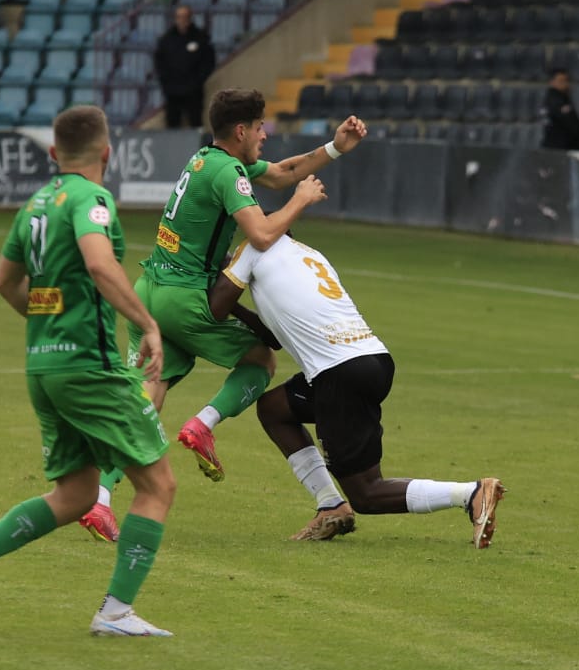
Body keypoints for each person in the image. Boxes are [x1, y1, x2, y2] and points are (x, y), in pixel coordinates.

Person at [0, 110, 184, 637]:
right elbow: (100, 264)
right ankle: (115, 612)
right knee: (158, 485)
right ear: (107, 154)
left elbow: (3, 281)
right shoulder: (92, 200)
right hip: (91, 365)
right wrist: (147, 324)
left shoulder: (36, 204)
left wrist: (48, 322)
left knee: (78, 494)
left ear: (51, 155)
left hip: (45, 365)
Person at [86, 92, 368, 526]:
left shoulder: (206, 159)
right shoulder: (227, 173)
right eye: (259, 127)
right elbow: (259, 234)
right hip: (183, 299)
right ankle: (203, 424)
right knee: (260, 360)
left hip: (149, 293)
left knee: (144, 403)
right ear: (241, 131)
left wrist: (334, 148)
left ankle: (100, 499)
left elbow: (278, 172)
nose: (264, 134)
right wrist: (301, 201)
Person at [209, 229, 505, 546]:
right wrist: (238, 306)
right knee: (274, 408)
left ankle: (469, 493)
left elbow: (214, 306)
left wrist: (219, 278)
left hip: (339, 374)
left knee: (366, 494)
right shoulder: (305, 255)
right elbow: (273, 338)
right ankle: (329, 506)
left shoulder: (253, 248)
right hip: (371, 359)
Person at [153, 4, 213, 130]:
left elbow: (208, 62)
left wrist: (197, 81)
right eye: (179, 17)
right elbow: (159, 62)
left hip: (193, 91)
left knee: (195, 122)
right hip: (172, 91)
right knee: (172, 124)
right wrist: (166, 82)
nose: (182, 20)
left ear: (190, 18)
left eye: (185, 17)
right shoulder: (166, 39)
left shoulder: (200, 38)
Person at [541, 67, 579, 150]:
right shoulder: (557, 102)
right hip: (561, 149)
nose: (566, 84)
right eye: (561, 81)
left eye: (566, 80)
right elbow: (572, 126)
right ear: (552, 82)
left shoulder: (550, 100)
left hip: (552, 148)